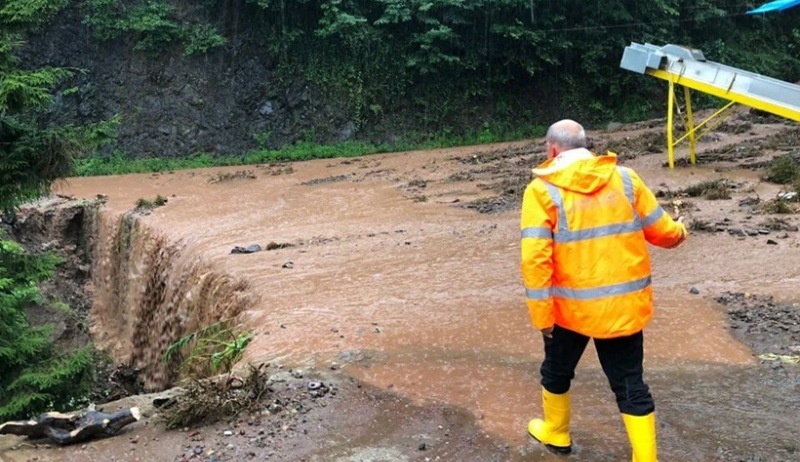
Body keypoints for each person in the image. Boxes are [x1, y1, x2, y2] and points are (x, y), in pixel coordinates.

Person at [519, 119, 687, 461]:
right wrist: (681, 231)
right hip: (622, 309)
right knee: (629, 385)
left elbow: (535, 260)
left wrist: (541, 316)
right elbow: (663, 232)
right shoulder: (626, 179)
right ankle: (646, 458)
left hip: (569, 313)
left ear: (552, 150)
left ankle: (556, 433)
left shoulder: (541, 191)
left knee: (556, 372)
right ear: (586, 145)